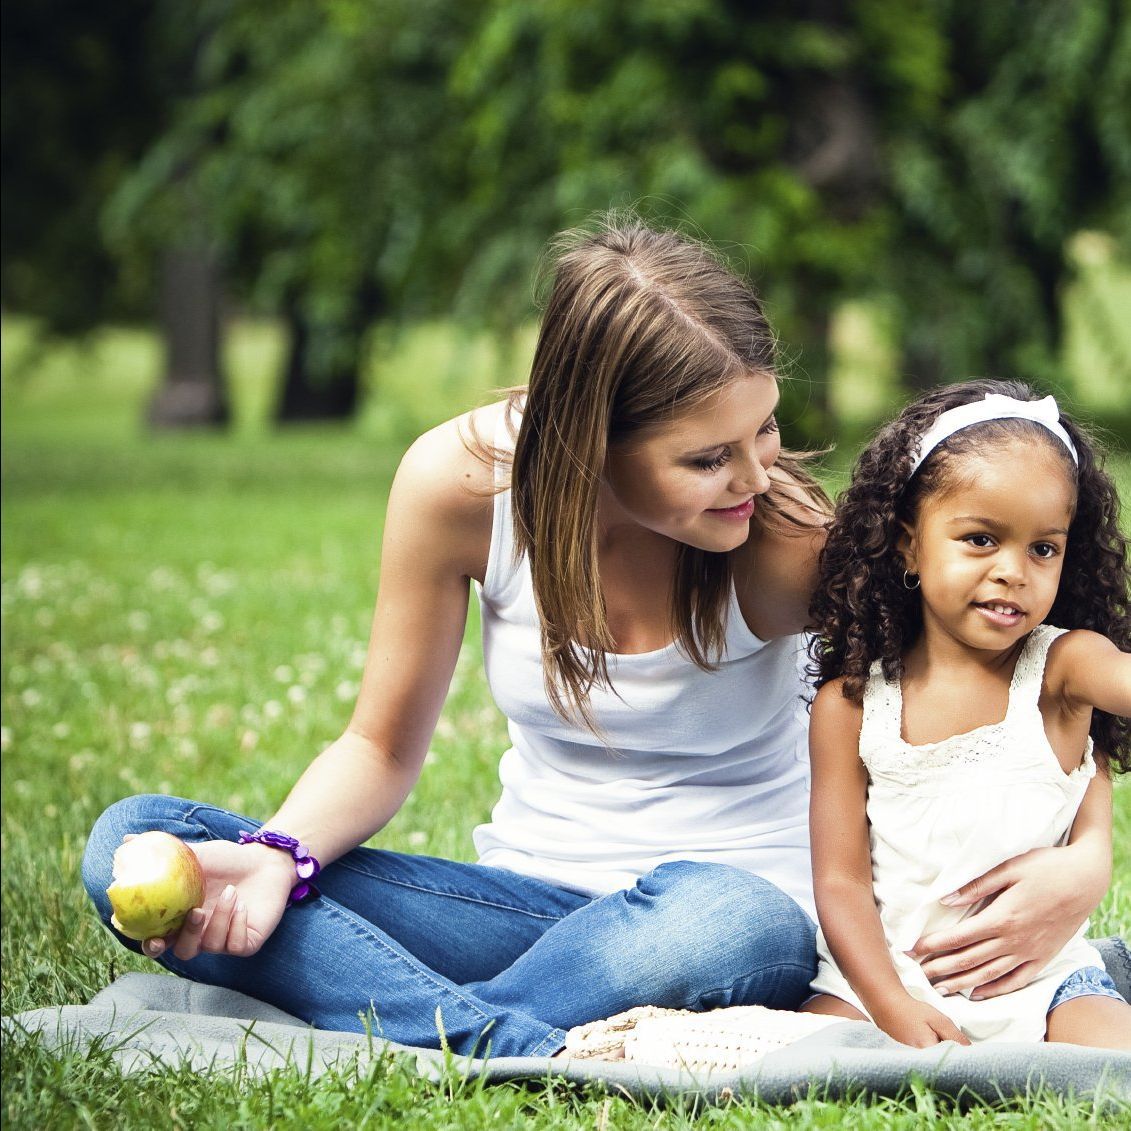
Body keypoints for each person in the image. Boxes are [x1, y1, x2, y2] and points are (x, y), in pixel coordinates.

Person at [81, 221, 1118, 1059]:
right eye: (708, 457)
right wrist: (275, 859)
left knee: (727, 920)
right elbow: (379, 750)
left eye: (763, 430)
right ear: (587, 442)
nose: (756, 477)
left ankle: (412, 1016)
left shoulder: (785, 542)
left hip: (738, 920)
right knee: (136, 840)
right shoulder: (459, 490)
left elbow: (1023, 670)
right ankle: (489, 1033)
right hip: (530, 907)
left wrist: (1086, 859)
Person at [802, 380, 1131, 1048]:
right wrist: (891, 1004)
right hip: (881, 977)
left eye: (1043, 548)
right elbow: (838, 882)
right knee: (783, 1063)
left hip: (1039, 981)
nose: (1013, 570)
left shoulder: (1065, 667)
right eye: (980, 539)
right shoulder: (849, 703)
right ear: (907, 545)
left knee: (1112, 1067)